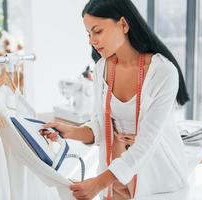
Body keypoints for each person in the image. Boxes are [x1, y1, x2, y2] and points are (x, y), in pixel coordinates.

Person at [40, 0, 191, 199]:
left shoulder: (162, 72)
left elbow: (147, 143)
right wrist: (71, 132)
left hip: (157, 182)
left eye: (98, 31)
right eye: (88, 34)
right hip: (114, 181)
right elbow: (101, 127)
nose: (91, 41)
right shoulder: (102, 67)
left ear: (123, 24)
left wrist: (98, 183)